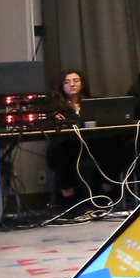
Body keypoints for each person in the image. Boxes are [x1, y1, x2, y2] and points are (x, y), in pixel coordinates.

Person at [46, 69, 104, 207]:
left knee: (113, 144)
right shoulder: (55, 107)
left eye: (75, 81)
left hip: (90, 144)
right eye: (67, 82)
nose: (72, 84)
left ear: (82, 84)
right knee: (63, 150)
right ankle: (69, 199)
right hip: (67, 145)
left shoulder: (93, 102)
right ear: (62, 86)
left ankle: (106, 192)